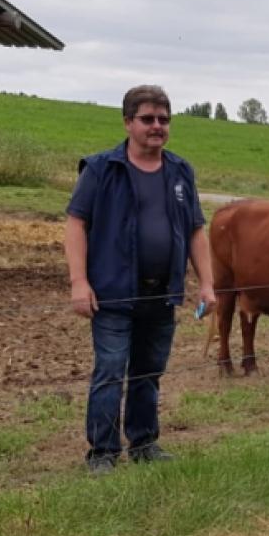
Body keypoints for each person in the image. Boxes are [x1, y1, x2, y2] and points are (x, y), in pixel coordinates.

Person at [64, 85, 216, 475]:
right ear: (128, 122)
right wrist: (79, 282)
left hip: (163, 293)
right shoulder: (102, 169)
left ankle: (145, 442)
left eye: (163, 120)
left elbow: (197, 230)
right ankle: (102, 452)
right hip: (113, 293)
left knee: (149, 372)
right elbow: (76, 224)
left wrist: (206, 284)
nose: (157, 126)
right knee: (110, 371)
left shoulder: (181, 171)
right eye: (147, 119)